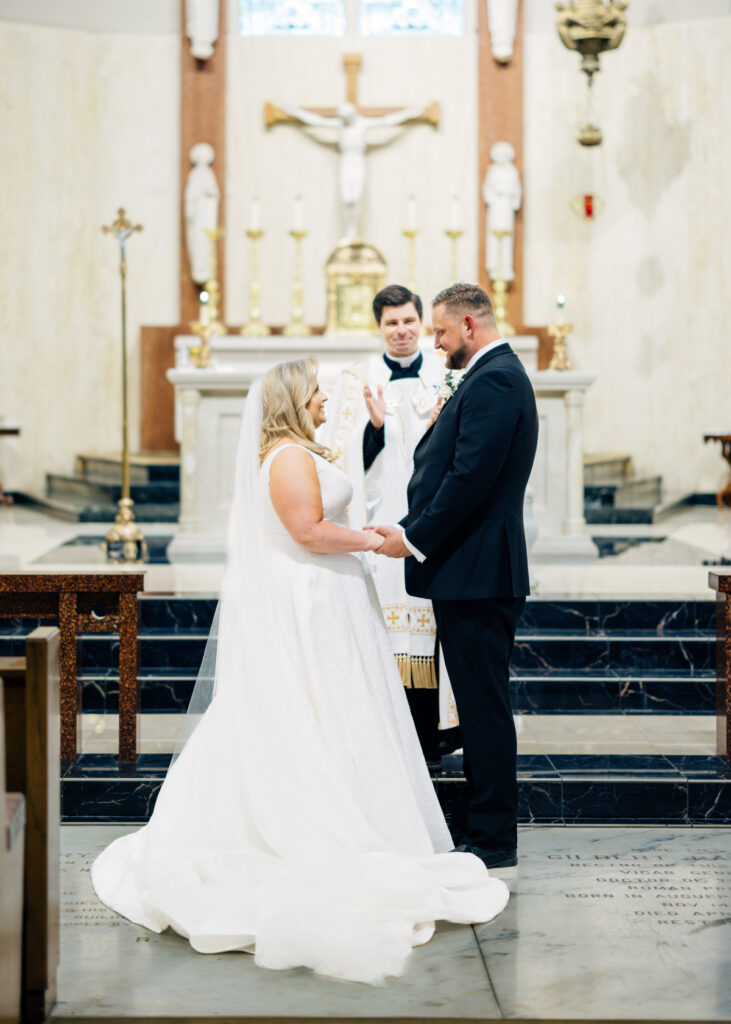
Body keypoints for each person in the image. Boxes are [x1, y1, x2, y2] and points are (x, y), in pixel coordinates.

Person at [91, 358, 508, 985]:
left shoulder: (300, 448)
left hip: (330, 599)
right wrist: (372, 541)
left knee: (338, 714)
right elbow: (307, 530)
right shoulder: (286, 456)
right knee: (312, 711)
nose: (322, 401)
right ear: (291, 399)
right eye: (315, 393)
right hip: (311, 601)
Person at [370, 283, 538, 870]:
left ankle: (492, 838)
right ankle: (483, 824)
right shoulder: (492, 377)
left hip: (479, 573)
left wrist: (412, 537)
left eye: (440, 332)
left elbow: (468, 479)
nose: (435, 345)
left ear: (469, 324)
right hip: (471, 571)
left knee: (483, 707)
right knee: (476, 703)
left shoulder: (494, 379)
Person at [320, 284, 458, 768]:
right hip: (378, 530)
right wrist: (374, 429)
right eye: (391, 323)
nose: (401, 331)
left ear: (420, 323)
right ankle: (382, 742)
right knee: (381, 629)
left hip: (434, 526)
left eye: (408, 322)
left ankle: (430, 740)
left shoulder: (448, 374)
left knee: (432, 627)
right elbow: (340, 464)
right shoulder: (356, 381)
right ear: (378, 327)